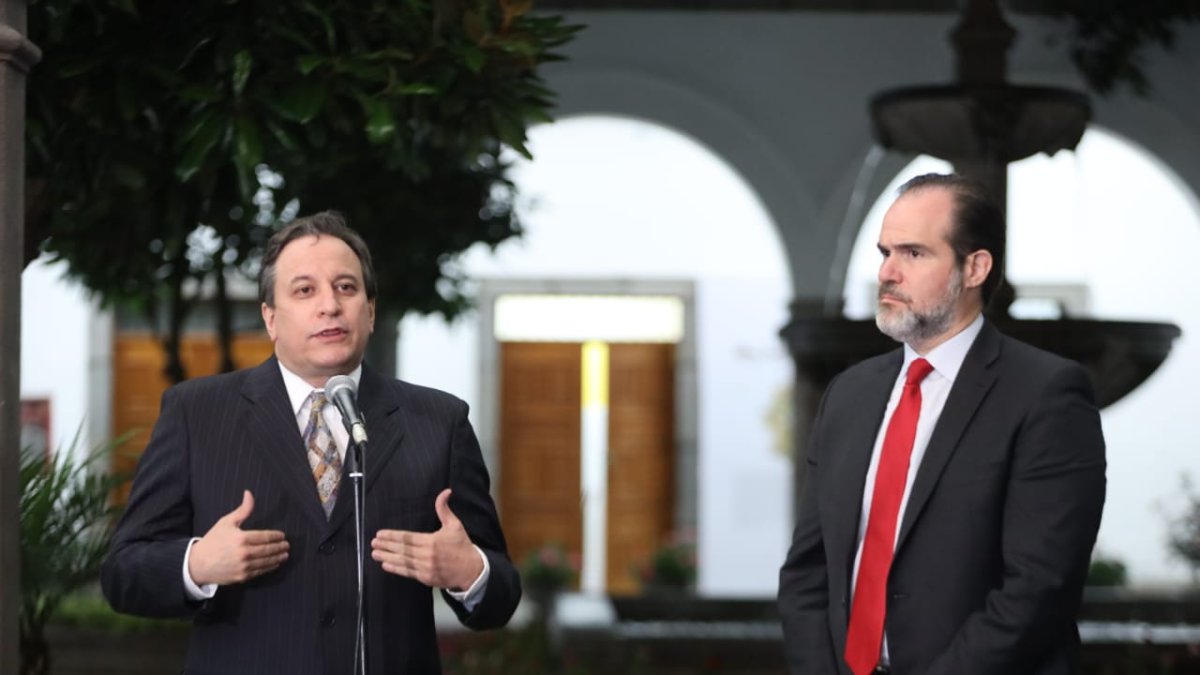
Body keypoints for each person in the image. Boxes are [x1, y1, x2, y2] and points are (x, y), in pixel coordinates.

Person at [102, 211, 520, 674]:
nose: (330, 306)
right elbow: (123, 574)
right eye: (305, 290)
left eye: (346, 288)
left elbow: (500, 595)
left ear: (371, 310)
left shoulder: (439, 422)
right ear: (271, 318)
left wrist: (470, 572)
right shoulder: (197, 414)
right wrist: (196, 563)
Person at [777, 173, 1106, 675]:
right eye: (885, 252)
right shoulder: (849, 393)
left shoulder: (1047, 395)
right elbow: (807, 569)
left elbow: (1039, 589)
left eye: (913, 254)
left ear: (974, 267)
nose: (888, 272)